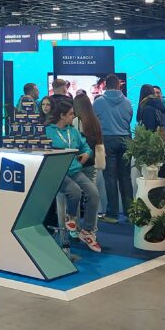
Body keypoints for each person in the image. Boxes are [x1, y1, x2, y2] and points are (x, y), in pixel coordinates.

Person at [45, 101, 101, 253]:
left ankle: (87, 230)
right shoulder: (48, 132)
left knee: (94, 193)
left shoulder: (73, 131)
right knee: (74, 191)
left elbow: (86, 147)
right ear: (62, 116)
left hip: (75, 171)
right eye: (70, 114)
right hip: (58, 173)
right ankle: (71, 218)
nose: (73, 116)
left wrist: (87, 153)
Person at [93, 74, 133, 219]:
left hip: (108, 140)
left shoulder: (98, 102)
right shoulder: (127, 101)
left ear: (105, 85)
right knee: (125, 177)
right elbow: (129, 119)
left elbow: (94, 121)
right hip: (125, 139)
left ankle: (112, 214)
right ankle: (130, 213)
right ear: (118, 85)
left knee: (110, 178)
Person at [72, 92, 109, 224]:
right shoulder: (95, 121)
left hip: (78, 162)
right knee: (91, 195)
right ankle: (90, 226)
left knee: (75, 195)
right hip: (91, 162)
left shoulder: (75, 121)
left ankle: (75, 226)